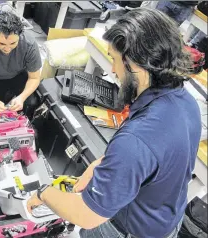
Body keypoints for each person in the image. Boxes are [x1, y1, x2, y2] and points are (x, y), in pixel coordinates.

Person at [27, 8, 201, 238]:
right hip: (166, 219)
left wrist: (44, 194)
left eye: (114, 59)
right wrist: (101, 164)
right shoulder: (185, 101)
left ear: (135, 64)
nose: (112, 69)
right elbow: (155, 158)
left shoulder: (135, 141)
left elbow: (86, 215)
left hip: (128, 231)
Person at [0, 11, 42, 118]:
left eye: (13, 43)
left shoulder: (29, 44)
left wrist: (21, 98)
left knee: (29, 104)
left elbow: (34, 78)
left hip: (19, 75)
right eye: (1, 43)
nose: (7, 48)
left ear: (20, 35)